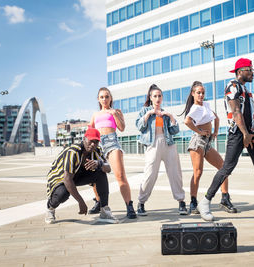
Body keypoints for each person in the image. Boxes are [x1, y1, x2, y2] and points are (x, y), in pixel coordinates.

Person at [197, 58, 254, 222]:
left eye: (252, 69)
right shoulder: (232, 86)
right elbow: (236, 111)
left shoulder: (247, 91)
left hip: (252, 132)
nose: (252, 72)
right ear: (239, 71)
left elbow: (252, 114)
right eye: (249, 69)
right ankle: (205, 202)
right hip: (238, 133)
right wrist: (245, 134)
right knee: (227, 168)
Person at [180, 81, 237, 214]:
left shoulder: (206, 105)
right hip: (198, 142)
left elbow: (216, 118)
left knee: (223, 168)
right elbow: (187, 121)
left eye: (203, 93)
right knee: (198, 172)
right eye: (198, 92)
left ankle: (224, 198)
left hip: (207, 142)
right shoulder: (194, 108)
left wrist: (215, 132)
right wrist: (199, 132)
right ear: (193, 94)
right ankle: (193, 202)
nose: (201, 95)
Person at [45, 128, 118, 224]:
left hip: (77, 175)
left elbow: (108, 169)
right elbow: (67, 179)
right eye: (91, 141)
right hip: (60, 177)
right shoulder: (73, 152)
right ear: (84, 139)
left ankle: (104, 211)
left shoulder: (96, 150)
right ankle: (50, 208)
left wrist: (99, 163)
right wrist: (81, 202)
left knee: (101, 172)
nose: (93, 144)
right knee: (63, 194)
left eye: (96, 142)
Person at [135, 84, 188, 216]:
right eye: (155, 96)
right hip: (153, 144)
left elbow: (174, 131)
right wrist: (148, 114)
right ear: (151, 98)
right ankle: (141, 203)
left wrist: (171, 117)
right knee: (150, 173)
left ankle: (181, 202)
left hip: (168, 143)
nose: (158, 98)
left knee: (175, 173)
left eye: (160, 96)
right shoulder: (144, 111)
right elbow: (140, 126)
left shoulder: (165, 113)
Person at [88, 87, 137, 219]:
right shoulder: (95, 115)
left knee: (120, 175)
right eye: (102, 97)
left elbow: (121, 128)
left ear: (110, 98)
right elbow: (89, 132)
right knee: (94, 176)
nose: (104, 99)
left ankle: (129, 206)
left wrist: (114, 114)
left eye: (107, 96)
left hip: (111, 141)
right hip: (97, 144)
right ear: (98, 99)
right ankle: (99, 202)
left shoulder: (116, 111)